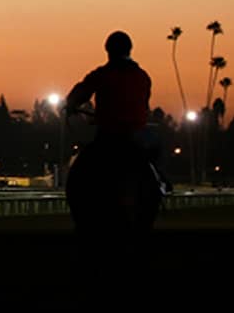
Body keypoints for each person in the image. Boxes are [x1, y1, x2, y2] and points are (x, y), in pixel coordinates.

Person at [65, 30, 169, 193]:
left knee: (82, 167)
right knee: (155, 151)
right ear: (129, 50)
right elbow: (144, 105)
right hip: (138, 135)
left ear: (108, 51)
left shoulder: (101, 74)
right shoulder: (143, 76)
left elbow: (78, 94)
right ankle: (160, 184)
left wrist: (71, 105)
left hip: (108, 134)